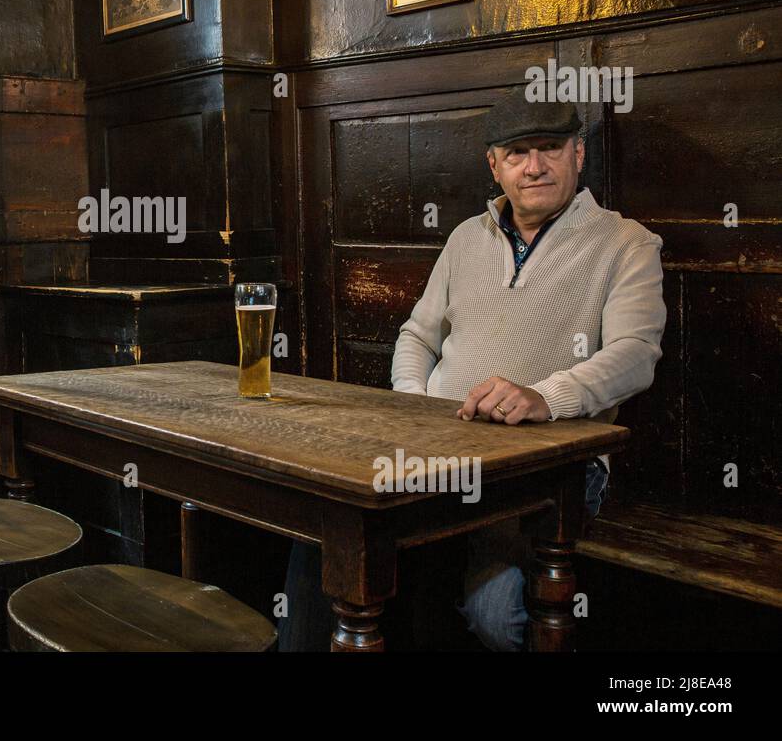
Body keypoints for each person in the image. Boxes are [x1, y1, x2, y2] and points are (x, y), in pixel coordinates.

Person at [278, 99, 666, 651]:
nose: (534, 167)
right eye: (517, 154)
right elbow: (417, 336)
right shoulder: (465, 238)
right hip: (436, 444)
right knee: (330, 522)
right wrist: (414, 402)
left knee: (496, 617)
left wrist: (545, 396)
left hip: (547, 462)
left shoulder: (626, 242)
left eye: (550, 149)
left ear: (578, 154)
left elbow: (635, 353)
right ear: (495, 166)